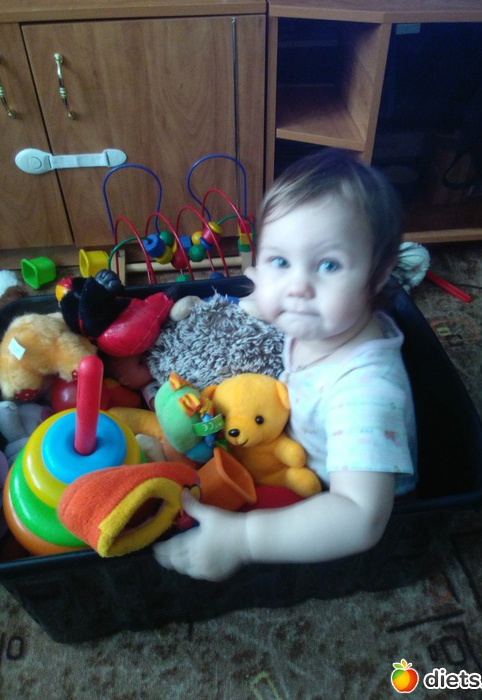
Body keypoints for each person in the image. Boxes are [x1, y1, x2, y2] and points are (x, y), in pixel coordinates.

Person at [154, 148, 417, 581]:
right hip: (290, 438)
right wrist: (255, 297)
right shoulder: (325, 315)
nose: (296, 287)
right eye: (280, 260)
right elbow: (270, 292)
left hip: (330, 493)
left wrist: (243, 539)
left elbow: (361, 516)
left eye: (328, 265)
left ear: (380, 274)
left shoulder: (365, 392)